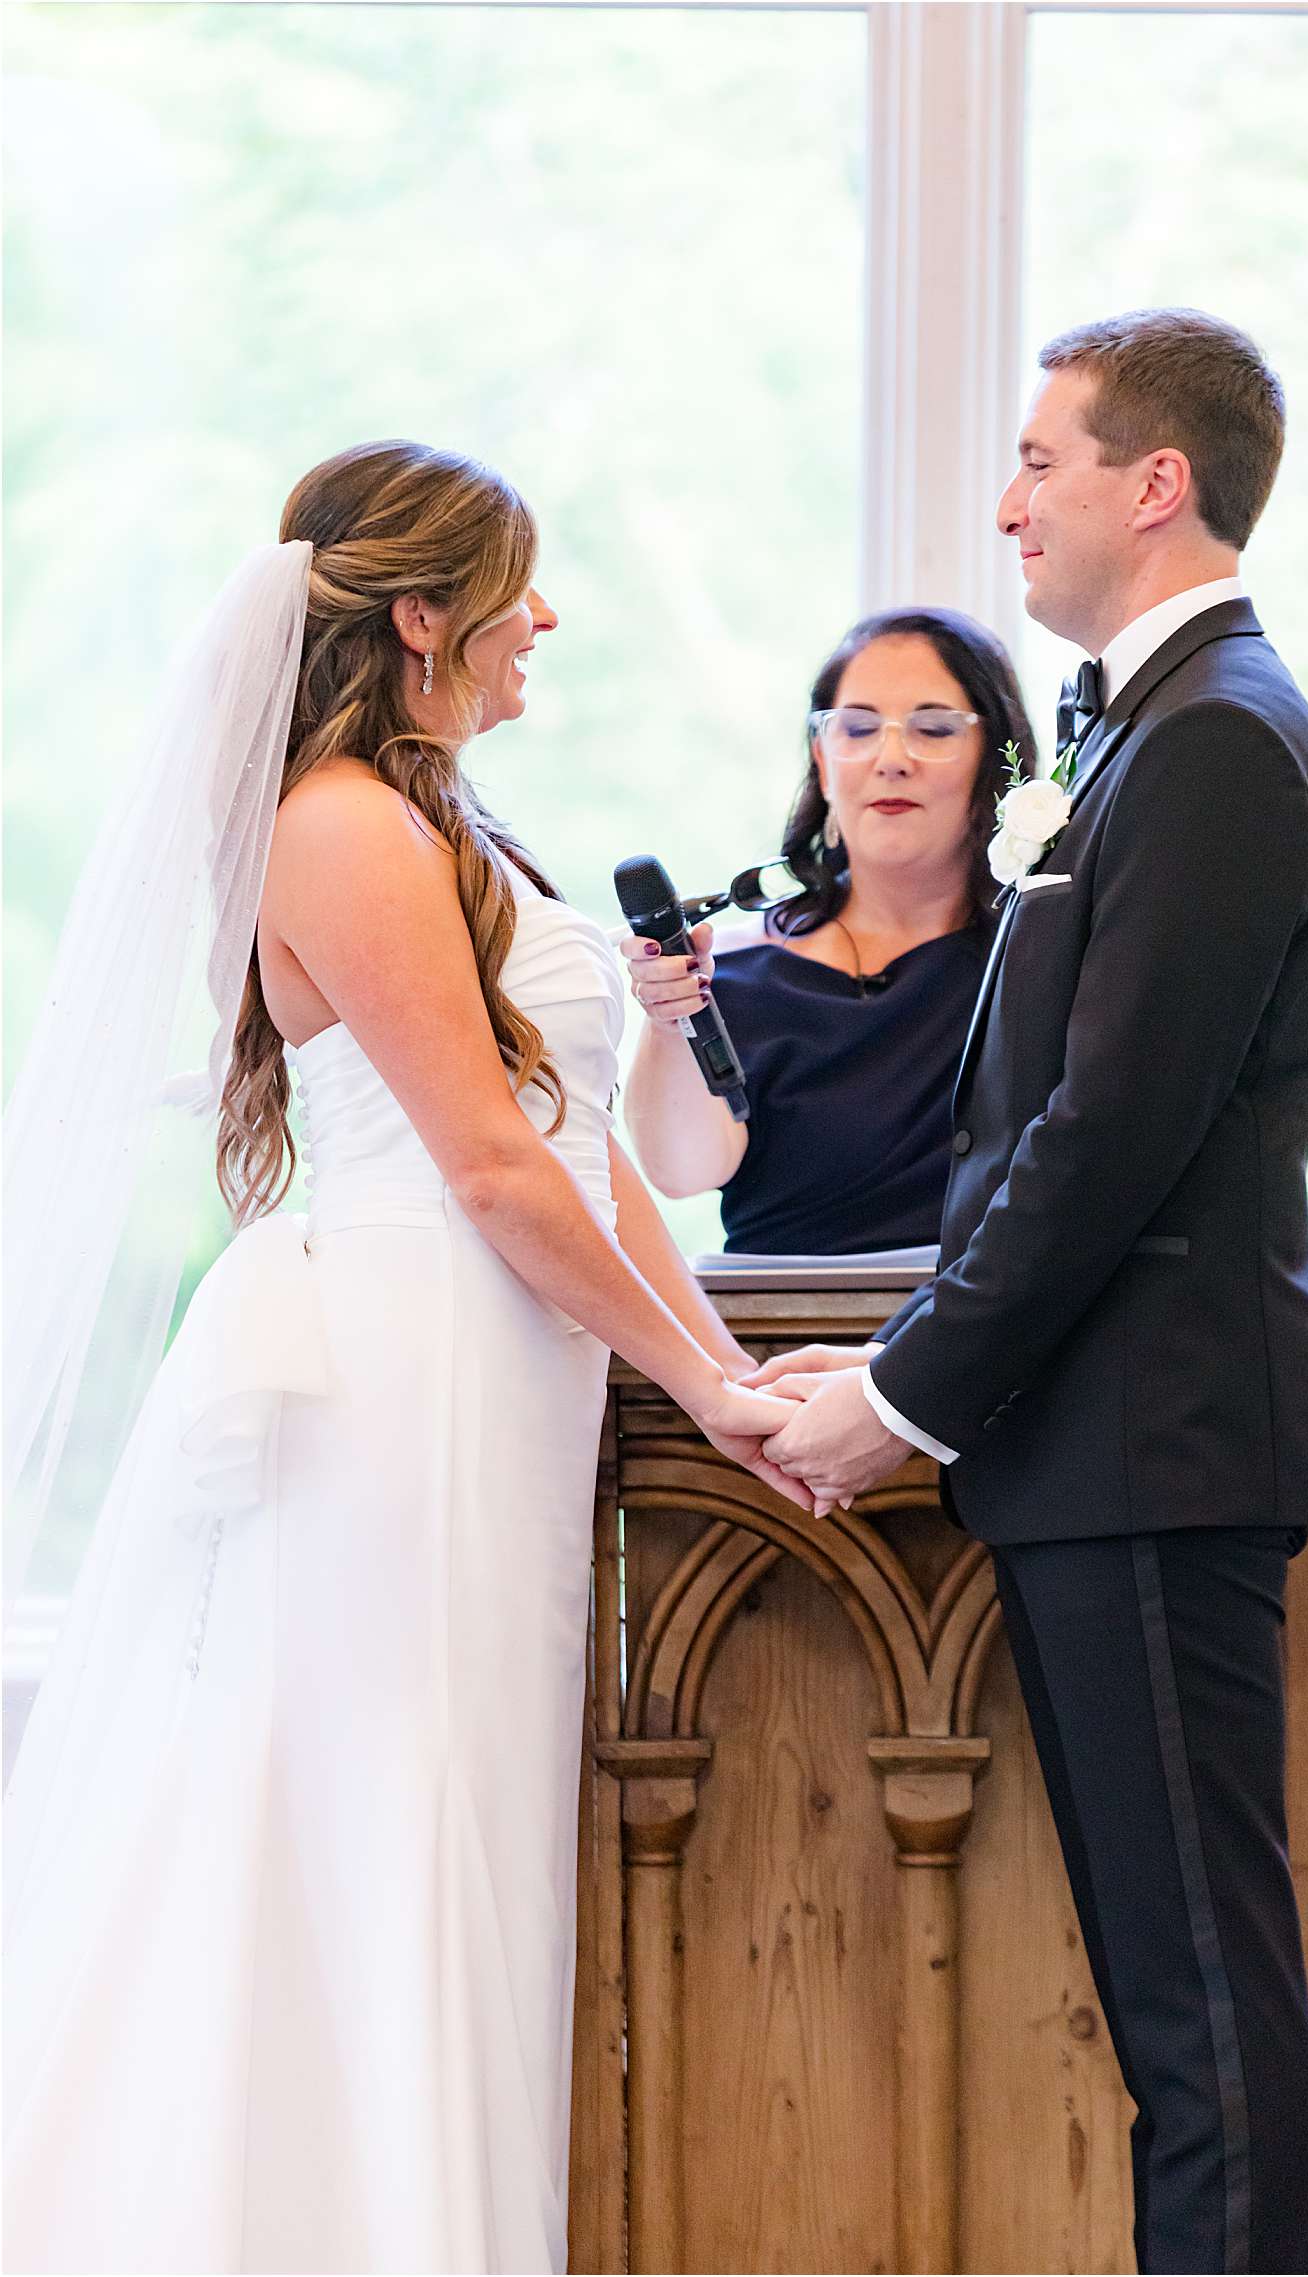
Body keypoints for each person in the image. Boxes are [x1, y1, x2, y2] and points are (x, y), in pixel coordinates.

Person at [2, 441, 803, 2275]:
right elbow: (497, 1166)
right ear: (425, 616)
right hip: (404, 1366)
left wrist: (720, 1367)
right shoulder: (344, 819)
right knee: (377, 1818)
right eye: (518, 585)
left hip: (498, 1369)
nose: (548, 618)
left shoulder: (454, 818)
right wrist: (702, 1387)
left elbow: (580, 1138)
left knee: (460, 1818)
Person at [752, 309, 1308, 2274]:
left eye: (1043, 458)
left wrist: (905, 1391)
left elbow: (1109, 1138)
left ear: (1154, 483)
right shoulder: (1155, 725)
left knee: (1201, 2004)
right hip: (1121, 1439)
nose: (1008, 498)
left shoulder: (1210, 738)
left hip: (1152, 1431)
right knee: (1176, 2002)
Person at [620, 608, 1033, 1254]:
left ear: (993, 755)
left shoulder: (1037, 956)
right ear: (821, 755)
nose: (891, 759)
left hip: (980, 1340)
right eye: (859, 728)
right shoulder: (740, 968)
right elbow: (681, 1171)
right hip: (776, 1337)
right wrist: (672, 1016)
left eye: (933, 729)